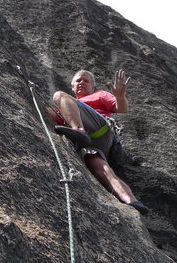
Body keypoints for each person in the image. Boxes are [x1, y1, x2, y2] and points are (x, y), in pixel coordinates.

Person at [48, 69, 149, 214]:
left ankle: (79, 130)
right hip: (90, 144)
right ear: (72, 86)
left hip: (100, 129)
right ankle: (132, 201)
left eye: (86, 81)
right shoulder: (68, 105)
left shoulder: (99, 95)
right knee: (103, 170)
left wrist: (120, 96)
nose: (81, 82)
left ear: (93, 87)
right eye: (78, 80)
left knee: (58, 95)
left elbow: (121, 108)